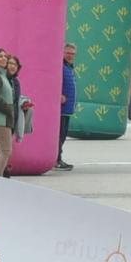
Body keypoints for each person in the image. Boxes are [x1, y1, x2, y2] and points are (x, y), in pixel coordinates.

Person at [56, 42, 80, 170]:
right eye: (68, 53)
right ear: (63, 53)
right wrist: (58, 95)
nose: (70, 56)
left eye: (73, 54)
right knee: (59, 135)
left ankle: (58, 158)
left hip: (67, 109)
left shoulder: (69, 68)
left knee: (63, 134)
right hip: (60, 109)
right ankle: (56, 159)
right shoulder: (60, 66)